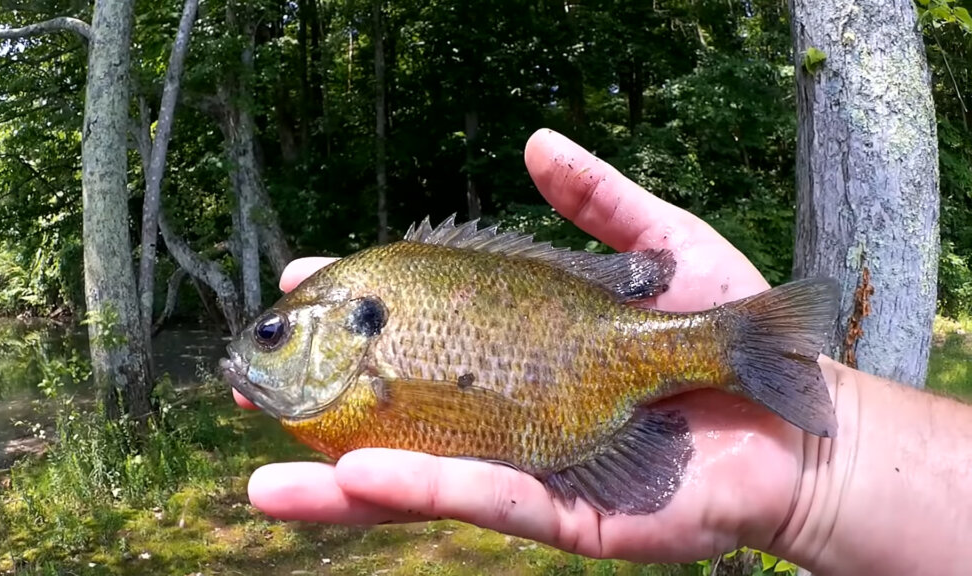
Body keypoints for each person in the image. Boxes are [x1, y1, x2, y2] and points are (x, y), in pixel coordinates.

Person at [233, 129, 972, 575]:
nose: (260, 350)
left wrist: (822, 476)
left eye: (274, 335)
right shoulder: (361, 328)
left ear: (341, 329)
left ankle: (741, 344)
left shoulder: (366, 311)